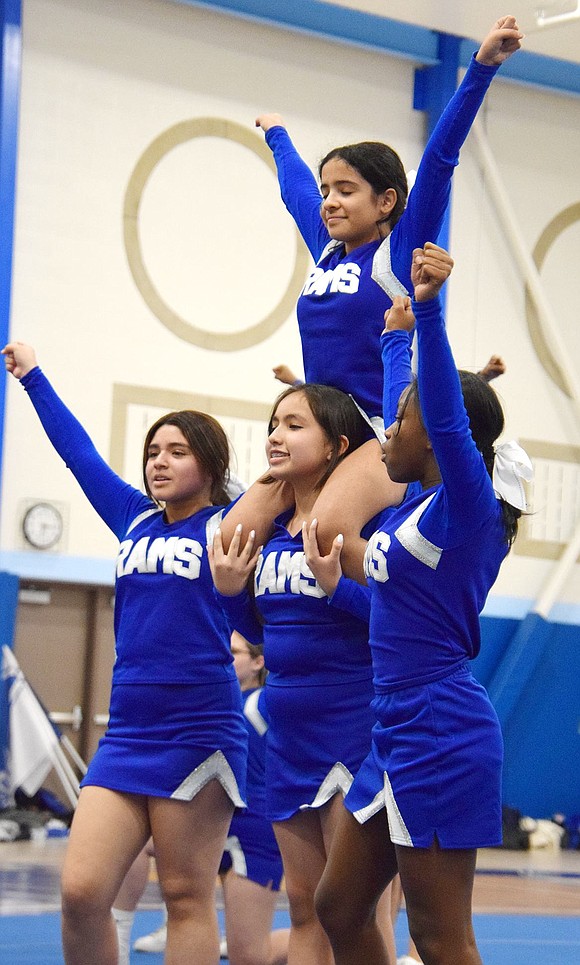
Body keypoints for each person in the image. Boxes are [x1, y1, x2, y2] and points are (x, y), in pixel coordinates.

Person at [307, 242, 531, 965]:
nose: (385, 436)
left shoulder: (462, 508)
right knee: (338, 907)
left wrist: (429, 315)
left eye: (400, 423)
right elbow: (394, 618)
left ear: (438, 434)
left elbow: (434, 408)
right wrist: (396, 337)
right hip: (393, 724)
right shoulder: (414, 507)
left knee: (438, 938)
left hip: (441, 728)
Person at [2, 341, 251, 965]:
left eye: (176, 452)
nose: (158, 463)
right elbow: (77, 454)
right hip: (129, 732)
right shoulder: (134, 519)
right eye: (152, 453)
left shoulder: (232, 525)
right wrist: (34, 378)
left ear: (212, 463)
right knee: (82, 891)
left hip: (198, 727)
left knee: (185, 896)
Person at [248, 16, 523, 578]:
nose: (329, 202)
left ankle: (379, 624)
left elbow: (442, 161)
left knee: (324, 534)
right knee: (233, 536)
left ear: (387, 201)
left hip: (377, 429)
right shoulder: (327, 250)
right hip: (319, 426)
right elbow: (294, 187)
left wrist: (481, 69)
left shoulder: (395, 256)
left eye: (346, 191)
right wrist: (276, 133)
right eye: (328, 190)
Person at [209, 383, 402, 965]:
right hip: (288, 738)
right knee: (304, 907)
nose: (275, 435)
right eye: (274, 423)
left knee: (357, 910)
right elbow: (271, 633)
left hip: (353, 731)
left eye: (295, 425)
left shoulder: (368, 523)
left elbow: (398, 626)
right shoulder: (271, 533)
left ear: (338, 445)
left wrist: (338, 587)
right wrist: (227, 596)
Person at [126, 631, 290, 965]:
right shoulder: (209, 700)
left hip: (253, 829)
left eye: (234, 652)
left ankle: (330, 943)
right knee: (137, 847)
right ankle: (148, 924)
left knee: (248, 954)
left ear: (258, 662)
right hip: (210, 819)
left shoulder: (265, 702)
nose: (225, 657)